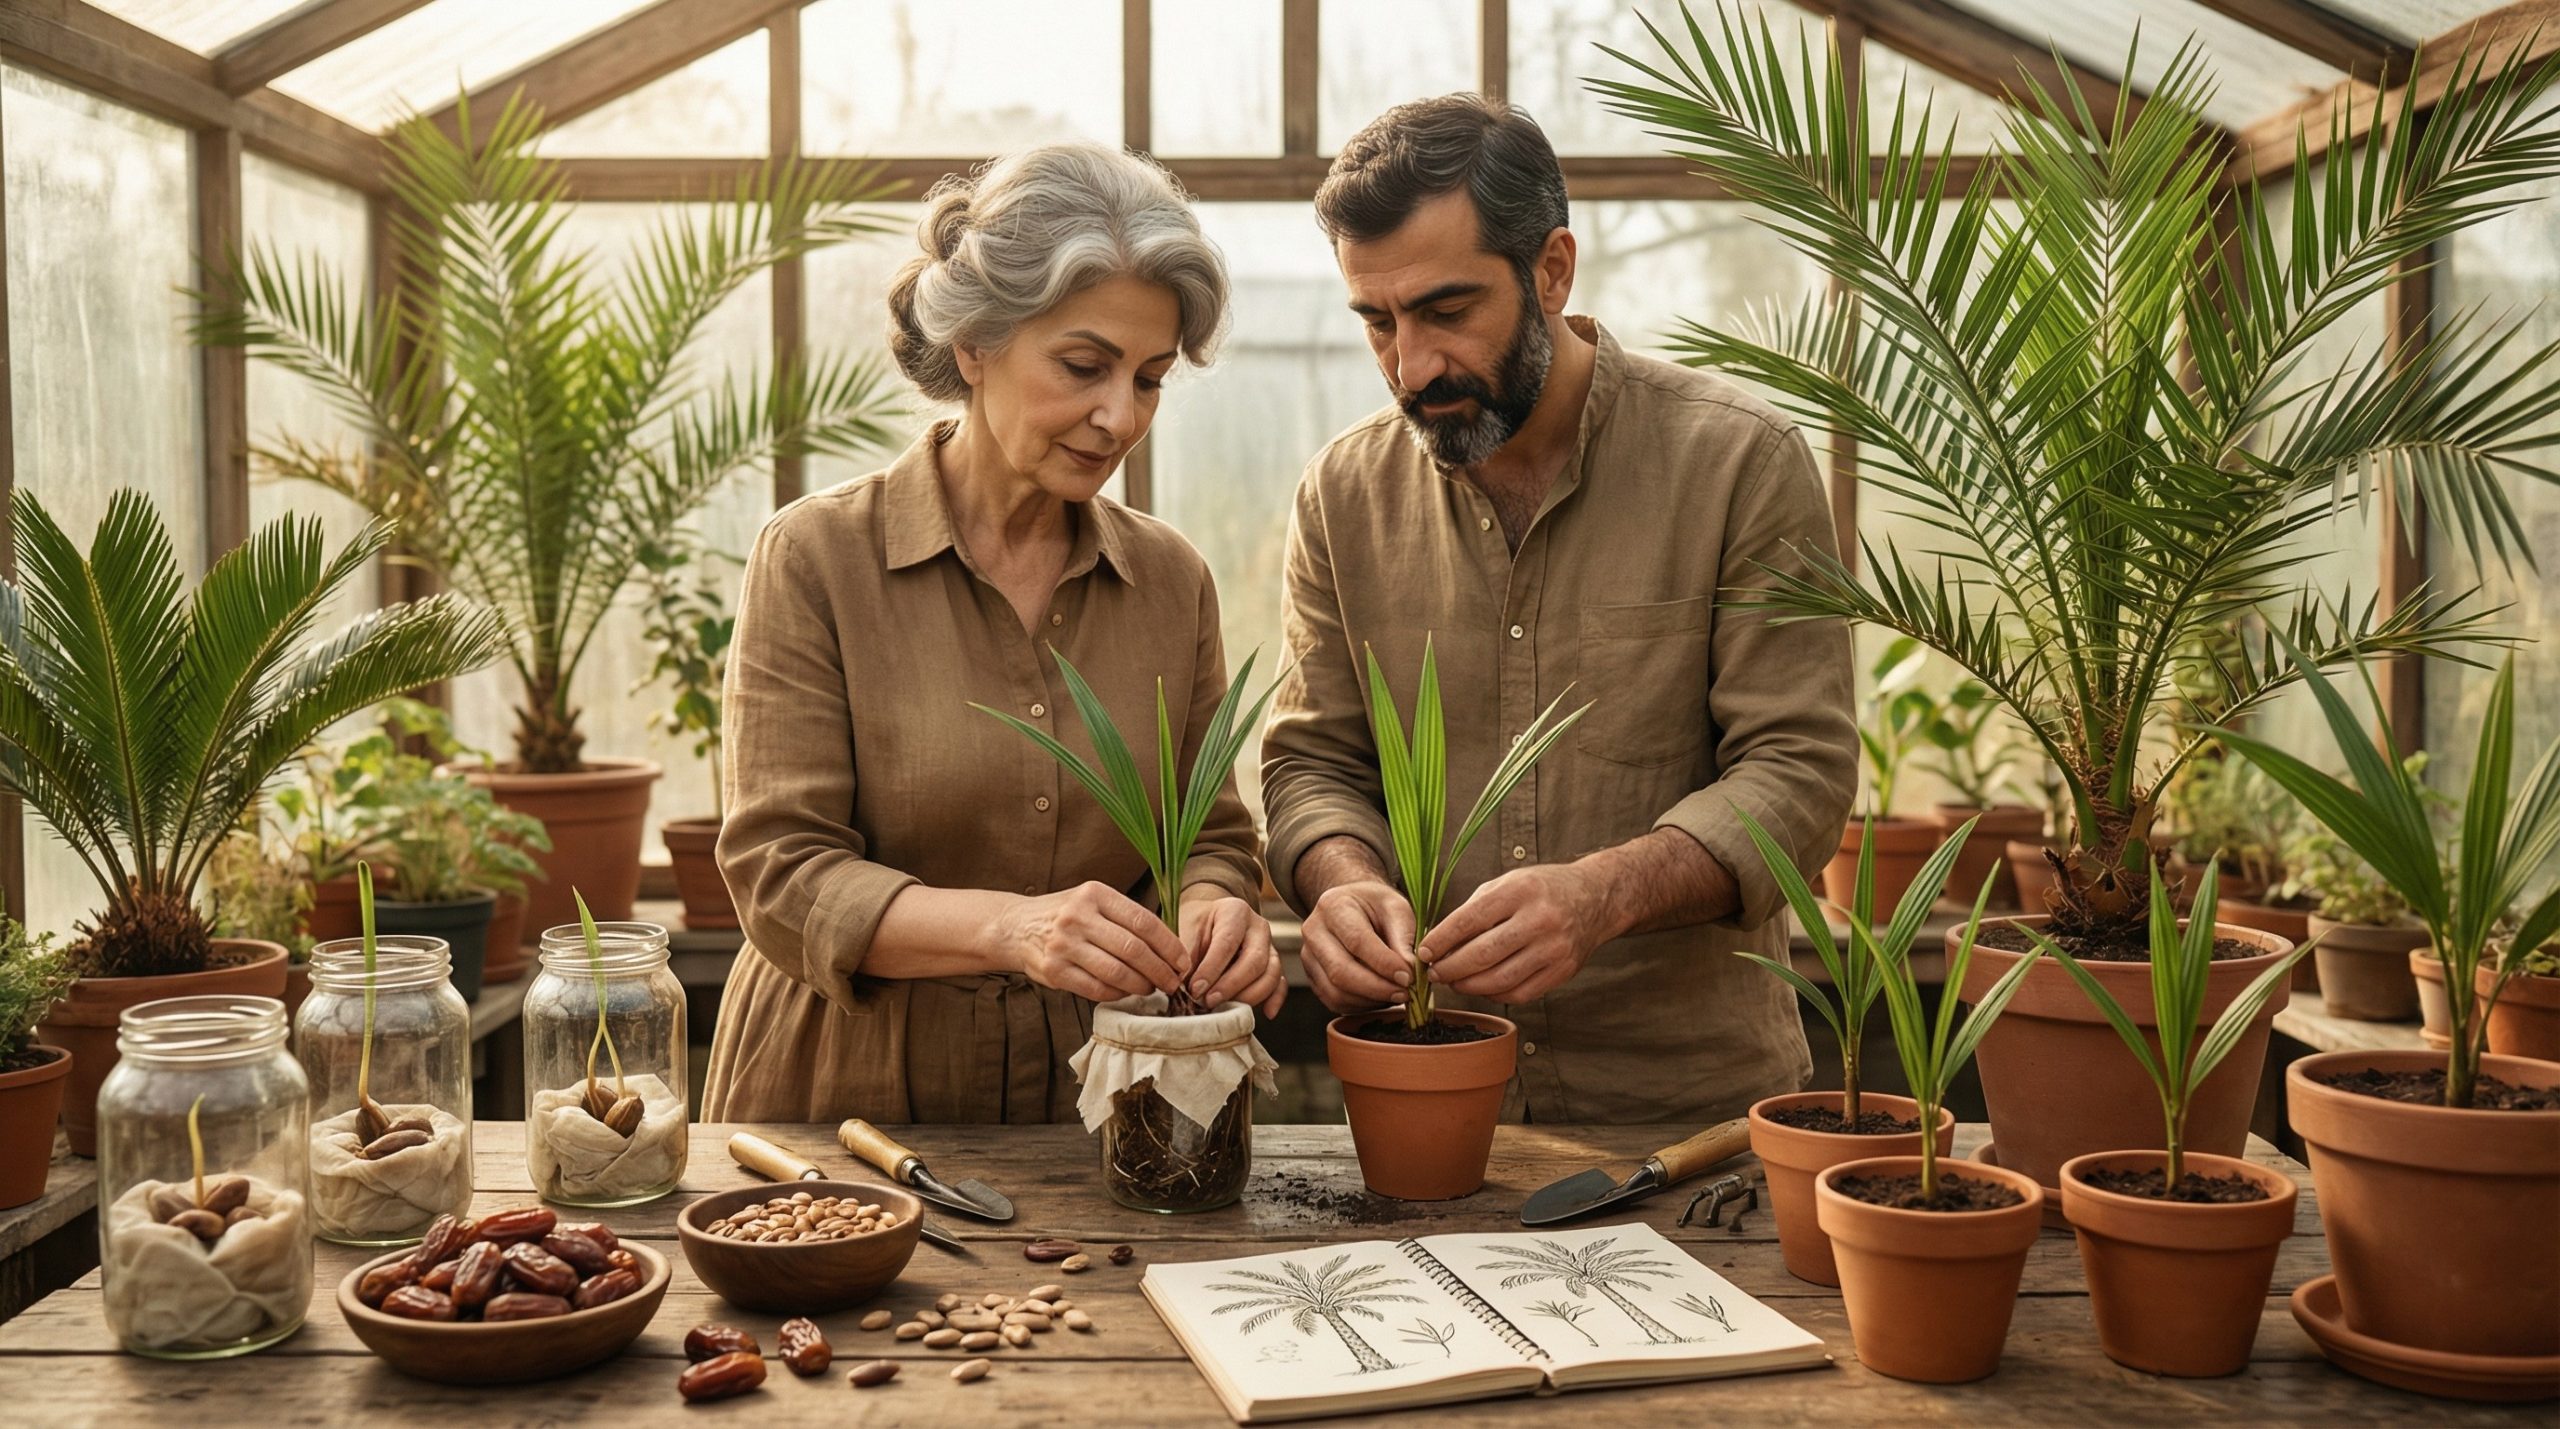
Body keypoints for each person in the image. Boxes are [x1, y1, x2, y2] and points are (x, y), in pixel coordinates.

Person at [1261, 95, 1858, 1125]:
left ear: (1550, 270)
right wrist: (1340, 877)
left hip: (1687, 1117)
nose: (1411, 366)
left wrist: (1606, 894)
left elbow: (1798, 770)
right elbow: (1312, 762)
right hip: (1426, 1098)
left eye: (1447, 311)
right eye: (1376, 321)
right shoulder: (1341, 496)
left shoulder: (1736, 463)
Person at [704, 144, 1285, 1125]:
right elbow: (781, 872)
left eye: (1147, 379)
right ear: (974, 346)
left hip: (1100, 1102)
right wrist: (1014, 928)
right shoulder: (817, 559)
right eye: (1083, 365)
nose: (1118, 416)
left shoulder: (1168, 580)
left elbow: (1211, 836)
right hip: (841, 1109)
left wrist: (1213, 909)